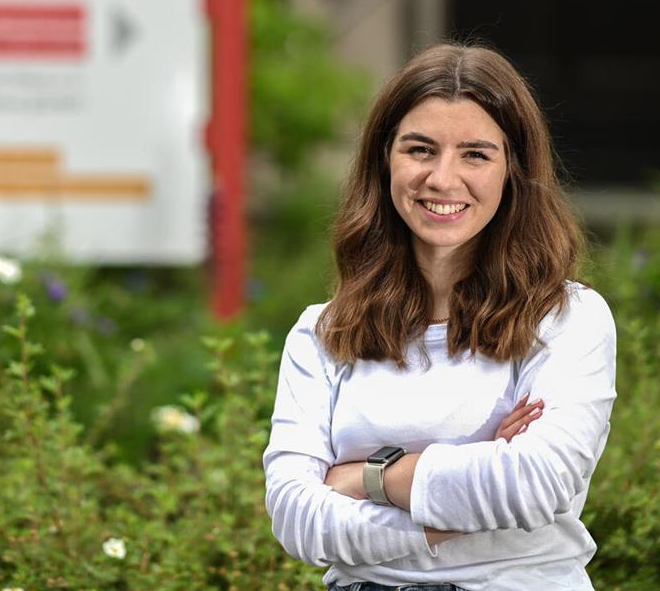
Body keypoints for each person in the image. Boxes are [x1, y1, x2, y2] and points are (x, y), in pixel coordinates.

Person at [263, 43, 616, 591]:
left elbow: (535, 484)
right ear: (385, 159)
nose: (443, 179)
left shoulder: (566, 320)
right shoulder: (323, 333)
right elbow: (296, 519)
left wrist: (371, 478)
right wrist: (473, 485)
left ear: (513, 169)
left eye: (475, 154)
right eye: (421, 149)